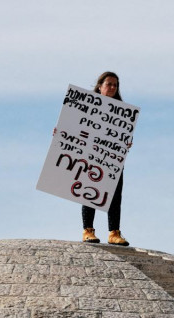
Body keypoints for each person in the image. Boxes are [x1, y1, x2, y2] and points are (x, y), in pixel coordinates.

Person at [79, 71, 130, 247]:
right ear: (100, 86)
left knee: (115, 194)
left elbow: (123, 137)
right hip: (91, 156)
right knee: (89, 190)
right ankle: (88, 230)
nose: (112, 88)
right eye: (109, 84)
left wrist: (126, 143)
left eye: (115, 85)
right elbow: (73, 127)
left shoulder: (123, 112)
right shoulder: (85, 105)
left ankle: (114, 232)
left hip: (112, 159)